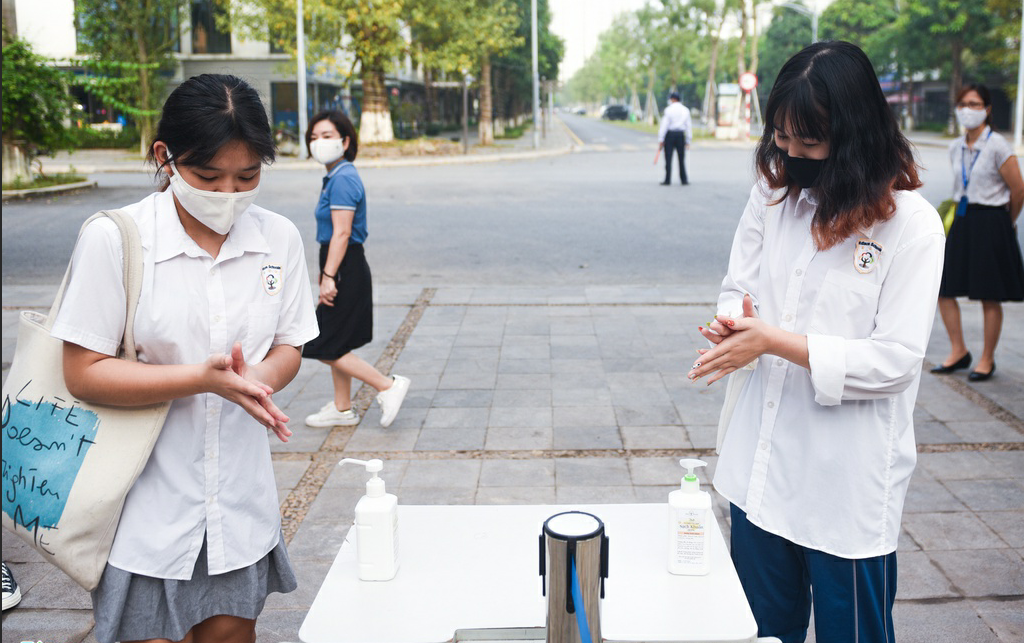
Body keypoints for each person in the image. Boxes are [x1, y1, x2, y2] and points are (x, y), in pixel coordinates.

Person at [689, 42, 945, 643]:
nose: (792, 154)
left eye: (810, 143)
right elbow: (737, 284)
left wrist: (773, 340)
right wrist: (736, 321)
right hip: (759, 467)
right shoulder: (773, 197)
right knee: (759, 630)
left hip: (844, 488)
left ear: (855, 135)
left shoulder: (909, 226)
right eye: (782, 137)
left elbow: (895, 363)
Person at [52, 74, 319, 643]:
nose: (228, 193)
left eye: (247, 177)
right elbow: (82, 371)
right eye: (208, 176)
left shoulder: (279, 239)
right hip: (141, 514)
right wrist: (201, 380)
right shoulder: (116, 239)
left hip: (239, 509)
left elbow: (290, 346)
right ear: (164, 157)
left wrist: (258, 383)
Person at [301, 110, 410, 428]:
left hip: (345, 264)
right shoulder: (336, 175)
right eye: (313, 137)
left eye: (327, 136)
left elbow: (342, 233)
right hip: (340, 261)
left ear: (345, 141)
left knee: (322, 344)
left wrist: (329, 275)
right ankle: (342, 407)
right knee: (338, 340)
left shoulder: (344, 178)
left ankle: (387, 385)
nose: (318, 142)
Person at [932, 83, 1024, 381]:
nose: (968, 110)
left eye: (974, 104)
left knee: (988, 294)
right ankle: (958, 350)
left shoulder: (998, 144)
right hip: (964, 217)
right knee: (943, 288)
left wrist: (1006, 221)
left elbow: (1018, 188)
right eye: (963, 104)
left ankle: (987, 359)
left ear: (987, 109)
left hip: (992, 219)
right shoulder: (954, 146)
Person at [657, 91, 692, 185]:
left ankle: (667, 180)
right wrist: (688, 140)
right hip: (681, 135)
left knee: (668, 158)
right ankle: (684, 180)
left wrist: (661, 139)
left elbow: (664, 125)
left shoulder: (668, 110)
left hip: (670, 136)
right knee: (681, 159)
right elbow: (688, 126)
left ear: (673, 99)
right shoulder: (685, 110)